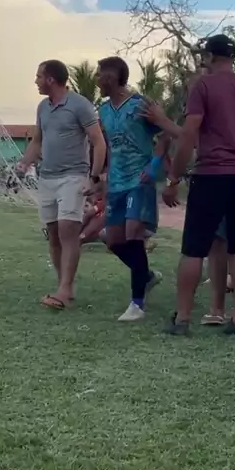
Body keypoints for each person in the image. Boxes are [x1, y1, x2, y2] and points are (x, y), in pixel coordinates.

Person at [161, 34, 235, 338]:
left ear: (209, 57)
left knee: (194, 248)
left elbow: (189, 134)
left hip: (212, 174)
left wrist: (174, 178)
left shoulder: (203, 86)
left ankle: (182, 318)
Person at [19, 60, 106, 310]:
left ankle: (65, 290)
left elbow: (98, 142)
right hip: (47, 177)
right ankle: (63, 285)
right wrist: (24, 162)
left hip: (73, 176)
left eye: (39, 76)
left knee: (68, 229)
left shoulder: (80, 105)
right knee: (54, 234)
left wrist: (94, 177)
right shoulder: (42, 107)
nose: (36, 81)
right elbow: (38, 141)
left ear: (51, 79)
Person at [97, 56, 170, 321]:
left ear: (112, 77)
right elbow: (108, 146)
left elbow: (165, 134)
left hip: (139, 181)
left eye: (99, 74)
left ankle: (136, 305)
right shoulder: (103, 111)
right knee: (113, 240)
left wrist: (154, 165)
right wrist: (103, 177)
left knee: (133, 235)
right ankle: (146, 276)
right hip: (116, 182)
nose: (96, 80)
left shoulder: (140, 104)